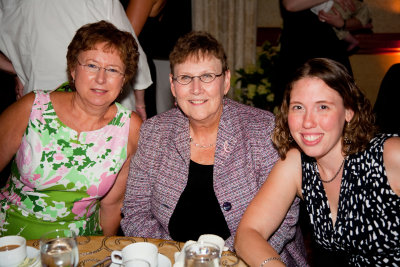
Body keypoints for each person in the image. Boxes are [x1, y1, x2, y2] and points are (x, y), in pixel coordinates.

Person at [120, 31, 308, 266]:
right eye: (185, 78)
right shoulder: (154, 132)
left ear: (225, 81)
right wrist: (177, 257)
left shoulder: (262, 129)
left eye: (207, 76)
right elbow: (135, 211)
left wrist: (219, 261)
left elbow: (285, 219)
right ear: (173, 86)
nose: (196, 88)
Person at [235, 58, 400, 266]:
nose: (308, 122)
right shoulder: (297, 165)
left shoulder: (390, 155)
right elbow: (248, 233)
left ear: (349, 111)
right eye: (298, 107)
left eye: (322, 106)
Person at [0, 21, 142, 239]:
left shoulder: (130, 127)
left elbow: (113, 205)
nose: (101, 79)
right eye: (92, 65)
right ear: (73, 69)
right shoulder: (33, 108)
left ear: (123, 80)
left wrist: (101, 253)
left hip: (81, 246)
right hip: (11, 239)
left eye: (113, 70)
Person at [0, 0, 151, 120]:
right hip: (109, 104)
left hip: (39, 104)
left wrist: (17, 69)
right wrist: (140, 103)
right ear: (72, 69)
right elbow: (128, 47)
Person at [274, 0, 354, 106]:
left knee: (340, 102)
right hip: (298, 49)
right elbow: (290, 5)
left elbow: (362, 18)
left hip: (331, 49)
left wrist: (343, 23)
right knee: (294, 102)